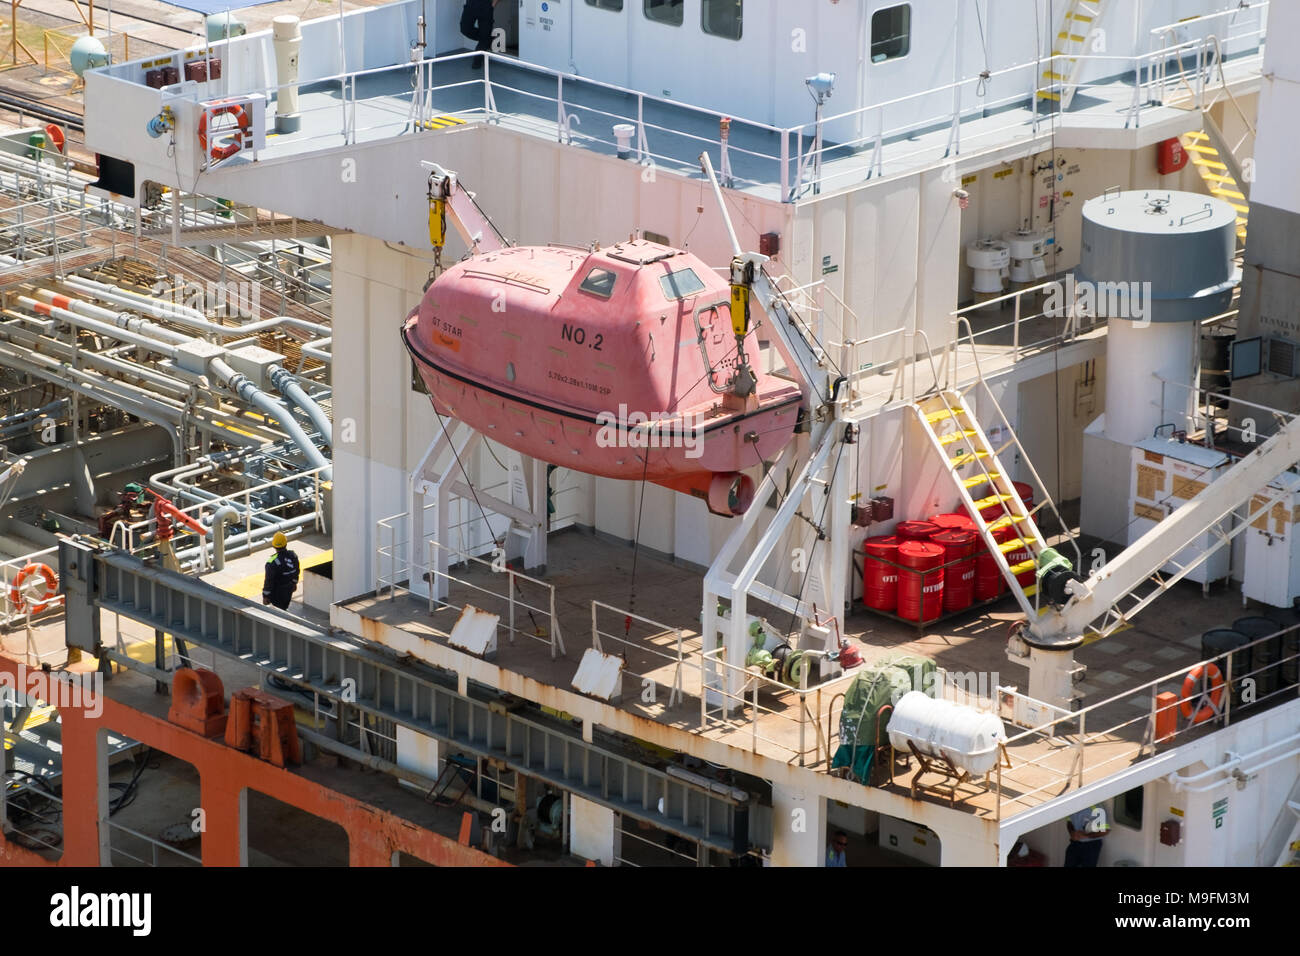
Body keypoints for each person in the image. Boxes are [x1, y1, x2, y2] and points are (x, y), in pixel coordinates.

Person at [262, 531, 301, 610]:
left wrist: (266, 596)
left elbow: (269, 581)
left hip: (277, 593)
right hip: (288, 590)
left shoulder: (272, 562)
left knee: (277, 611)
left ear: (274, 545)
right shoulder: (293, 555)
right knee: (284, 607)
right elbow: (296, 571)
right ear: (286, 543)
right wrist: (294, 583)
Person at [460, 0, 498, 68]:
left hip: (486, 7)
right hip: (470, 6)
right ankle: (488, 39)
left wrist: (492, 6)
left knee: (484, 35)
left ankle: (477, 61)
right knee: (465, 29)